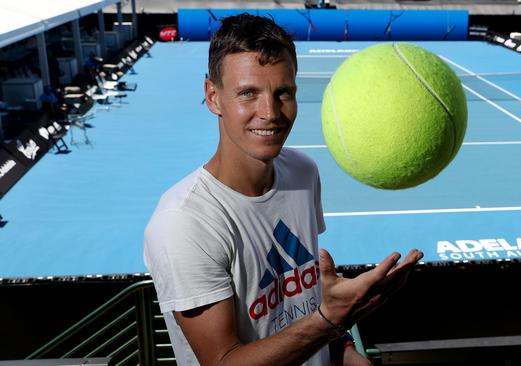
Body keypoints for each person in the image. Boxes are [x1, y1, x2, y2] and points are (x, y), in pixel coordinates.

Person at [144, 13, 423, 366]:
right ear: (213, 97)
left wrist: (345, 350)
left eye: (283, 93)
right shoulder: (183, 223)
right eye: (248, 93)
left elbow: (300, 301)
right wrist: (330, 319)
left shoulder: (303, 174)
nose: (270, 112)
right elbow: (222, 362)